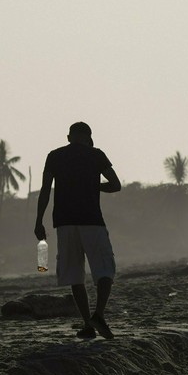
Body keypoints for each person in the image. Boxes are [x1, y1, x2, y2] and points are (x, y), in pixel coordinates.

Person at [33, 121, 121, 339]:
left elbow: (45, 191)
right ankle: (98, 315)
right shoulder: (96, 155)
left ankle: (87, 324)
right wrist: (93, 184)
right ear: (89, 138)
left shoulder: (54, 155)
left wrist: (38, 221)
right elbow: (115, 184)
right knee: (105, 269)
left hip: (64, 221)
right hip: (92, 221)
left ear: (69, 137)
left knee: (75, 274)